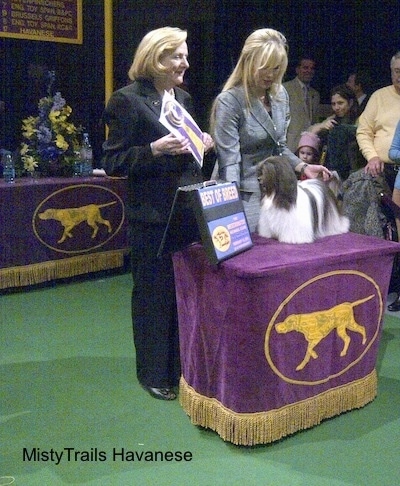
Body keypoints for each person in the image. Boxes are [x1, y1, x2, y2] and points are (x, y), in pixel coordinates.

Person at [101, 27, 214, 400]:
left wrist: (203, 145)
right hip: (151, 218)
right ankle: (153, 372)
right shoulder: (127, 101)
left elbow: (191, 157)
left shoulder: (182, 98)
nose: (185, 62)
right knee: (154, 295)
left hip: (187, 212)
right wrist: (154, 149)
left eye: (185, 54)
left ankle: (181, 365)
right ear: (156, 58)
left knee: (184, 293)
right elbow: (113, 161)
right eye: (177, 56)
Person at [210, 28, 331, 232]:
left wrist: (303, 167)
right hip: (243, 194)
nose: (270, 75)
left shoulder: (280, 95)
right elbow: (229, 162)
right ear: (248, 62)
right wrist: (230, 210)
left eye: (276, 69)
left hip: (277, 193)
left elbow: (280, 147)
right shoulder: (230, 101)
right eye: (264, 67)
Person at [357, 51, 400, 311]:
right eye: (397, 71)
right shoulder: (379, 97)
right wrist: (372, 156)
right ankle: (386, 288)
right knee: (386, 235)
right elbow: (363, 131)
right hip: (382, 172)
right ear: (391, 70)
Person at [309, 84, 361, 181]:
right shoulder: (332, 119)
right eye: (333, 104)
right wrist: (322, 126)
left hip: (353, 171)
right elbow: (308, 134)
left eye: (340, 103)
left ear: (350, 102)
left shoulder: (361, 119)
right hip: (330, 172)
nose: (336, 107)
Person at [283, 57, 320, 152]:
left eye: (312, 68)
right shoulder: (285, 89)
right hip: (290, 144)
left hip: (309, 147)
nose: (309, 71)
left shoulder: (315, 94)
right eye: (305, 68)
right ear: (297, 70)